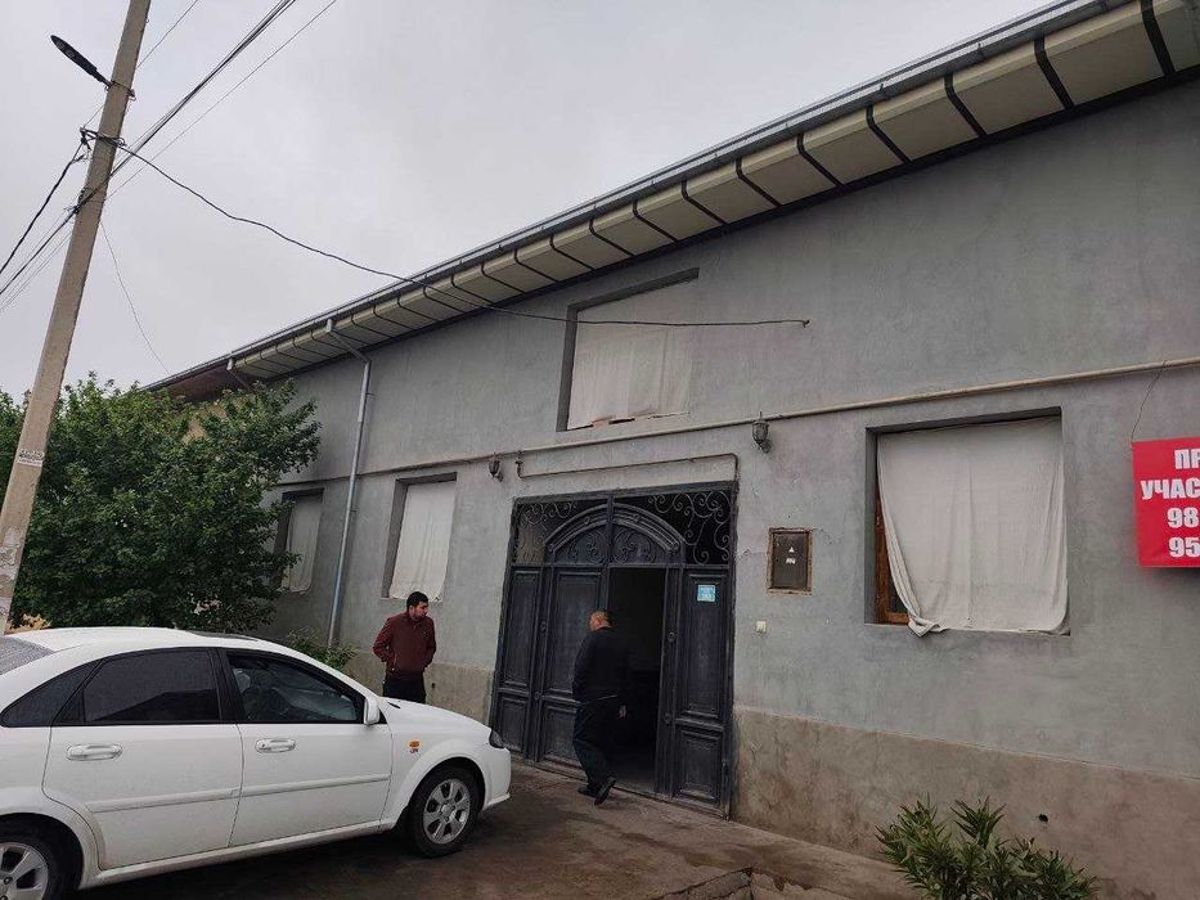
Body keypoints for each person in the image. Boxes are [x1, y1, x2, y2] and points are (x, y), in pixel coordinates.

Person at [571, 609, 630, 805]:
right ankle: (594, 786)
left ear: (598, 620)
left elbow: (581, 667)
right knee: (600, 740)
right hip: (613, 700)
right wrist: (622, 702)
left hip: (593, 699)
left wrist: (578, 692)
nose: (590, 624)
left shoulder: (593, 639)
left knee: (581, 739)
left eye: (590, 620)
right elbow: (626, 675)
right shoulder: (621, 642)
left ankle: (603, 777)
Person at [373, 591, 436, 703]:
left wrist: (424, 662)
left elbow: (431, 647)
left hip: (416, 681)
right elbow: (378, 646)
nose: (426, 611)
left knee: (417, 711)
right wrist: (393, 660)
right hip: (395, 680)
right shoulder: (395, 622)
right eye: (423, 608)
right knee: (393, 711)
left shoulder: (428, 624)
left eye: (427, 607)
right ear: (411, 608)